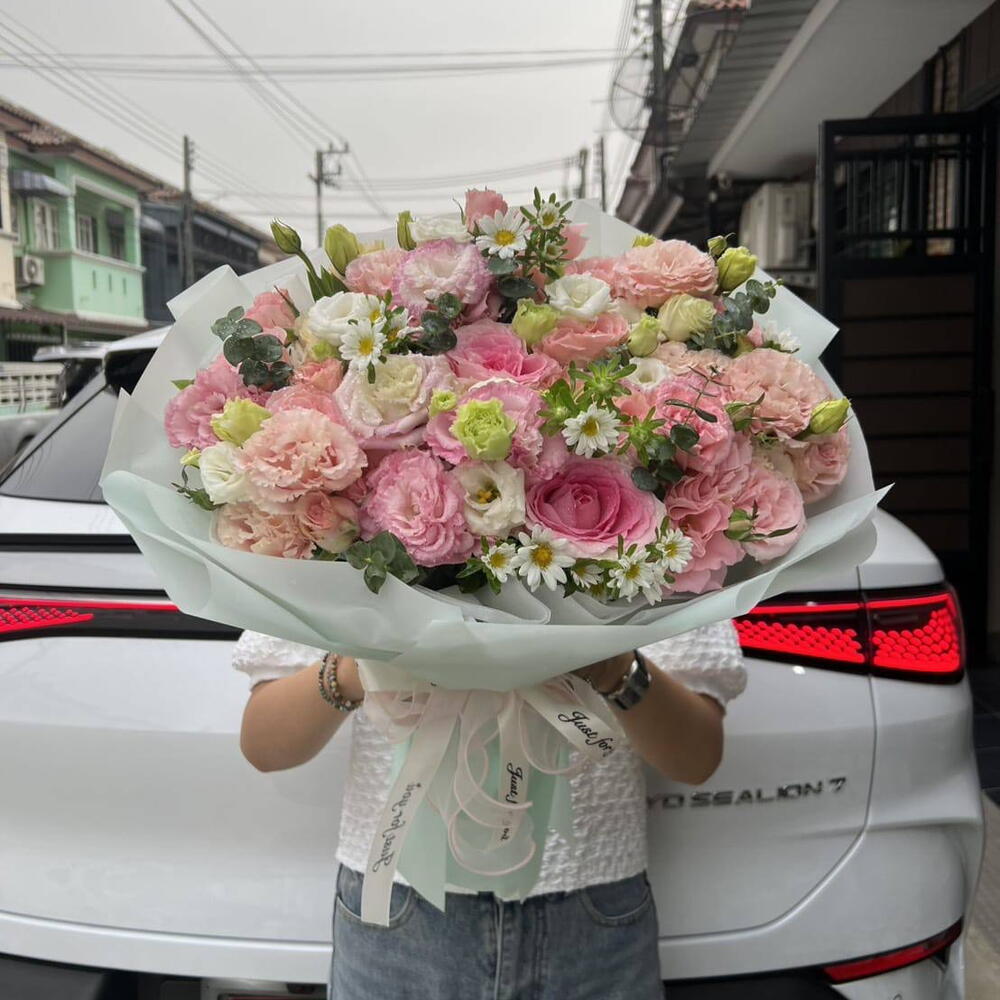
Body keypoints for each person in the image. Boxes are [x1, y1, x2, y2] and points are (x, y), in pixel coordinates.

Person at [233, 620, 747, 1000]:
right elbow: (265, 744)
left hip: (592, 906)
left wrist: (615, 669)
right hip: (398, 904)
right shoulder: (338, 525)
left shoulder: (654, 526)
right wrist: (357, 667)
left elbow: (696, 757)